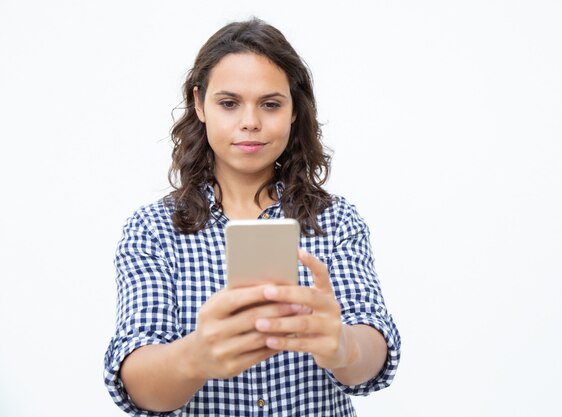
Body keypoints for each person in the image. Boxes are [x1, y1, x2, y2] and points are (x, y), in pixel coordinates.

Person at [103, 17, 400, 417]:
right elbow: (136, 383)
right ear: (199, 103)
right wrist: (196, 354)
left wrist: (342, 346)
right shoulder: (153, 230)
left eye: (271, 104)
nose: (250, 122)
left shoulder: (338, 220)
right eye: (229, 103)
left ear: (295, 110)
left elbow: (373, 350)